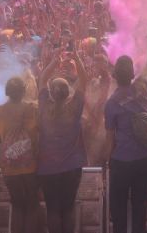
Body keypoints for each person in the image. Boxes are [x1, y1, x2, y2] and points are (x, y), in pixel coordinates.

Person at [104, 26, 147, 233]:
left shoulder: (111, 103)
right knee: (140, 207)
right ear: (132, 74)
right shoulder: (141, 89)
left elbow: (110, 139)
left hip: (122, 161)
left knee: (118, 210)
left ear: (115, 75)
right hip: (145, 159)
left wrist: (105, 161)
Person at [37, 48, 88, 233]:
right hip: (72, 167)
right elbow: (84, 80)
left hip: (47, 168)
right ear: (68, 93)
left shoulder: (43, 107)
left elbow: (42, 79)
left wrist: (53, 62)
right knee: (68, 207)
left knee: (53, 209)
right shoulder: (74, 108)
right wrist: (77, 58)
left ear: (51, 92)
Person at [0, 77, 40, 233]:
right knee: (32, 205)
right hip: (29, 165)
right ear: (23, 91)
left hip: (9, 166)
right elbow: (35, 134)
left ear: (8, 92)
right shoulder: (31, 108)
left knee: (17, 205)